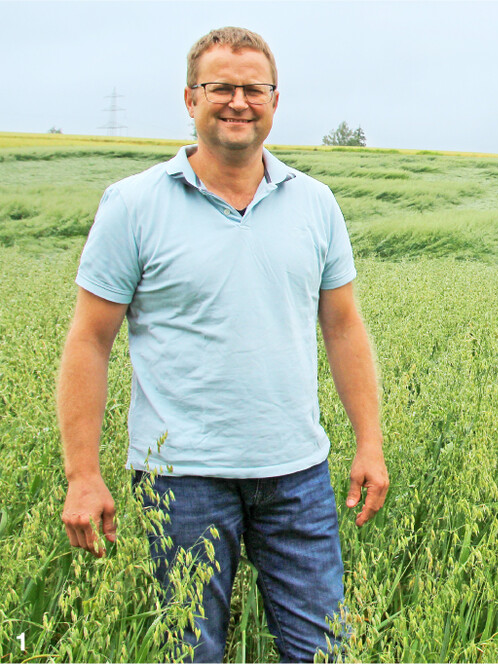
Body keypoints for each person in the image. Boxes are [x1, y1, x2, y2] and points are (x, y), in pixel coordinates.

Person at [56, 26, 388, 662]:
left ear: (274, 100)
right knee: (190, 653)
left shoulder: (315, 204)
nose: (239, 101)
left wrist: (368, 442)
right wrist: (83, 474)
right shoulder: (133, 204)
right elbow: (89, 342)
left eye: (253, 89)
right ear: (190, 98)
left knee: (325, 652)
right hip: (181, 478)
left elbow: (344, 326)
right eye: (221, 88)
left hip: (297, 474)